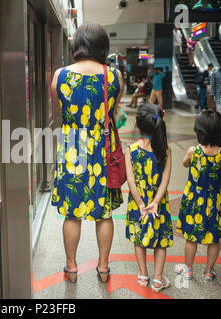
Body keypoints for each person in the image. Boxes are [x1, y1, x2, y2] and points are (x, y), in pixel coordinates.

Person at [50, 22, 124, 284]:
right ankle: (103, 269)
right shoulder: (114, 76)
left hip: (72, 147)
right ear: (103, 46)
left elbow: (61, 110)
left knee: (72, 213)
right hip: (102, 149)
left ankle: (71, 268)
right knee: (104, 213)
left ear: (76, 45)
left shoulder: (60, 75)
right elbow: (112, 115)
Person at [125, 104, 173, 292]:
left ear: (138, 125)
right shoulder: (165, 149)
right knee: (160, 241)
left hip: (139, 203)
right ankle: (158, 280)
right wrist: (155, 203)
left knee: (139, 239)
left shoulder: (131, 150)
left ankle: (143, 275)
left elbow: (131, 181)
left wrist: (141, 204)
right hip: (158, 203)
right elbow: (166, 180)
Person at [175, 110, 221, 282]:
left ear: (200, 131)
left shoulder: (193, 151)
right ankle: (208, 271)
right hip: (215, 199)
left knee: (191, 236)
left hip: (195, 198)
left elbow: (185, 164)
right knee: (214, 237)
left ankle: (188, 270)